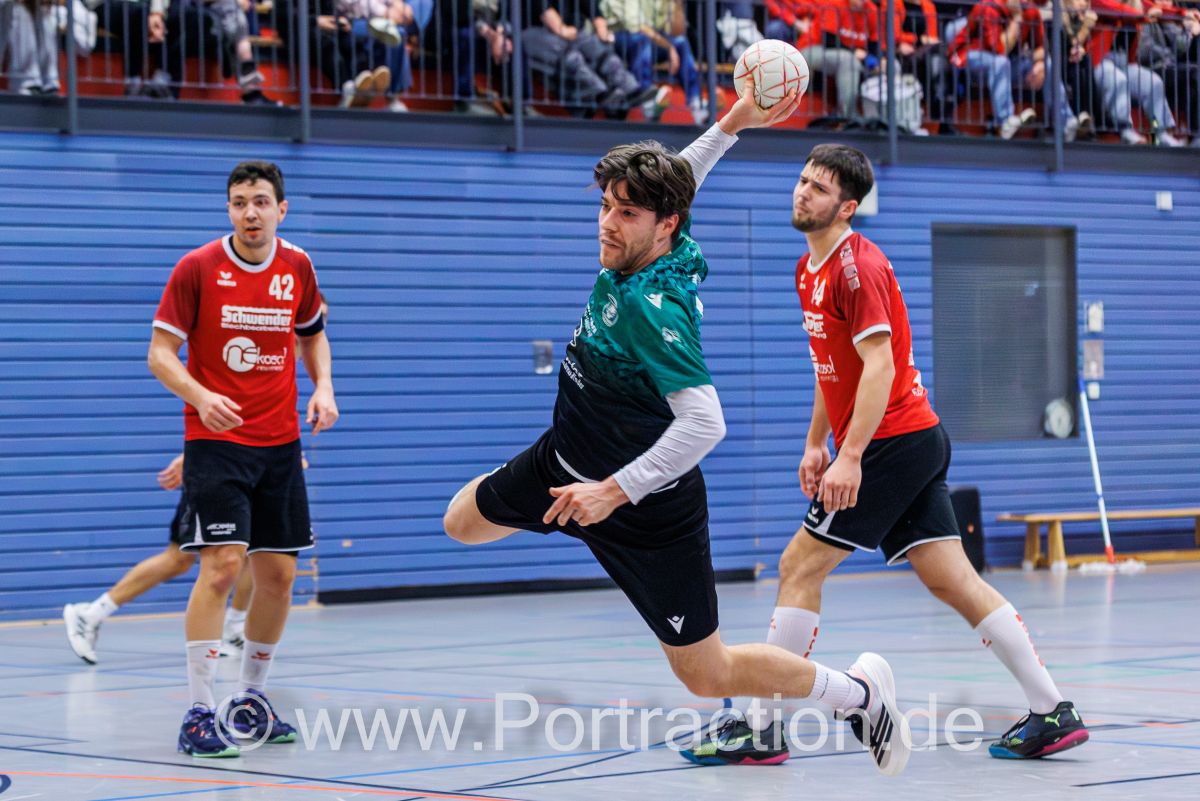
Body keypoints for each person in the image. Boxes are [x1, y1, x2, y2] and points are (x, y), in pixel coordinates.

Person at [442, 79, 912, 777]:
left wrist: (612, 492)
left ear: (663, 226)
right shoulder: (665, 233)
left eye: (625, 213)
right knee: (461, 521)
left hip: (647, 510)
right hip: (561, 465)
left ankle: (859, 693)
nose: (607, 223)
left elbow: (705, 422)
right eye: (606, 206)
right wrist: (734, 120)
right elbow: (683, 175)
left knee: (706, 673)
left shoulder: (653, 308)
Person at [683, 143, 1089, 766]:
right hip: (911, 439)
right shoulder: (808, 269)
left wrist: (850, 456)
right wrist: (816, 441)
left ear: (847, 207)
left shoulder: (857, 268)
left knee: (798, 566)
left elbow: (880, 366)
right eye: (802, 180)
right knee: (952, 579)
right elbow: (831, 368)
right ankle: (1052, 710)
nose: (802, 192)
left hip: (892, 443)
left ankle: (760, 727)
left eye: (819, 188)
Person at [148, 160, 337, 757]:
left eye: (260, 202)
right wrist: (201, 397)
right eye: (238, 203)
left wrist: (324, 387)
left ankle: (249, 700)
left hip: (280, 442)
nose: (249, 213)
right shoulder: (198, 267)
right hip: (216, 442)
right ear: (228, 209)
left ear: (281, 209)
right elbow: (159, 354)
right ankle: (198, 711)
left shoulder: (297, 266)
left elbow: (311, 333)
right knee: (223, 567)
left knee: (278, 576)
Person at [62, 453, 252, 665]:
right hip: (219, 472)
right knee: (179, 558)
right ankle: (91, 614)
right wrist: (190, 455)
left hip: (255, 471)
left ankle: (234, 628)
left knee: (252, 553)